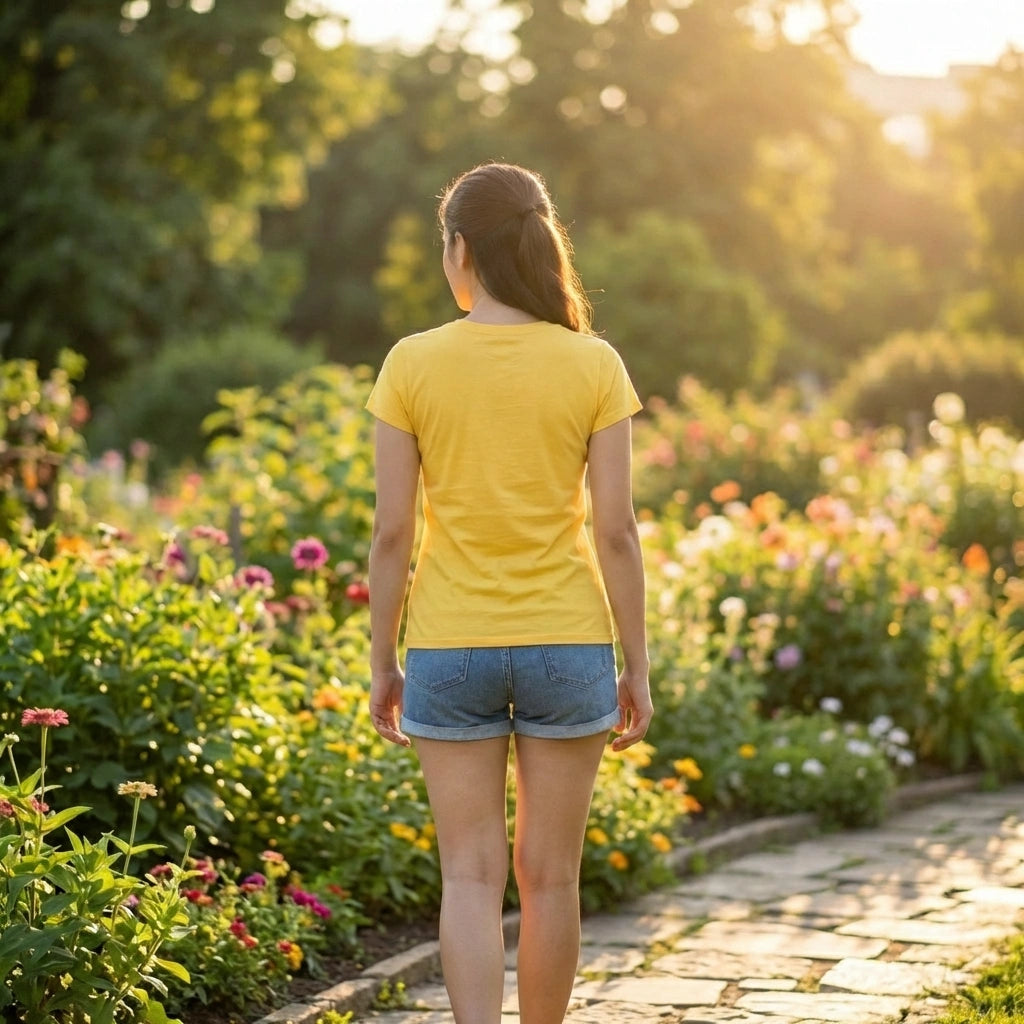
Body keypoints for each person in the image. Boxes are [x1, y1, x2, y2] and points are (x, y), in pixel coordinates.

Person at [365, 161, 652, 1024]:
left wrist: (383, 662)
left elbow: (391, 534)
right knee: (551, 879)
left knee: (469, 875)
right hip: (568, 644)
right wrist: (636, 665)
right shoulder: (593, 363)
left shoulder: (412, 363)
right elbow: (615, 530)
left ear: (459, 248)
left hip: (450, 645)